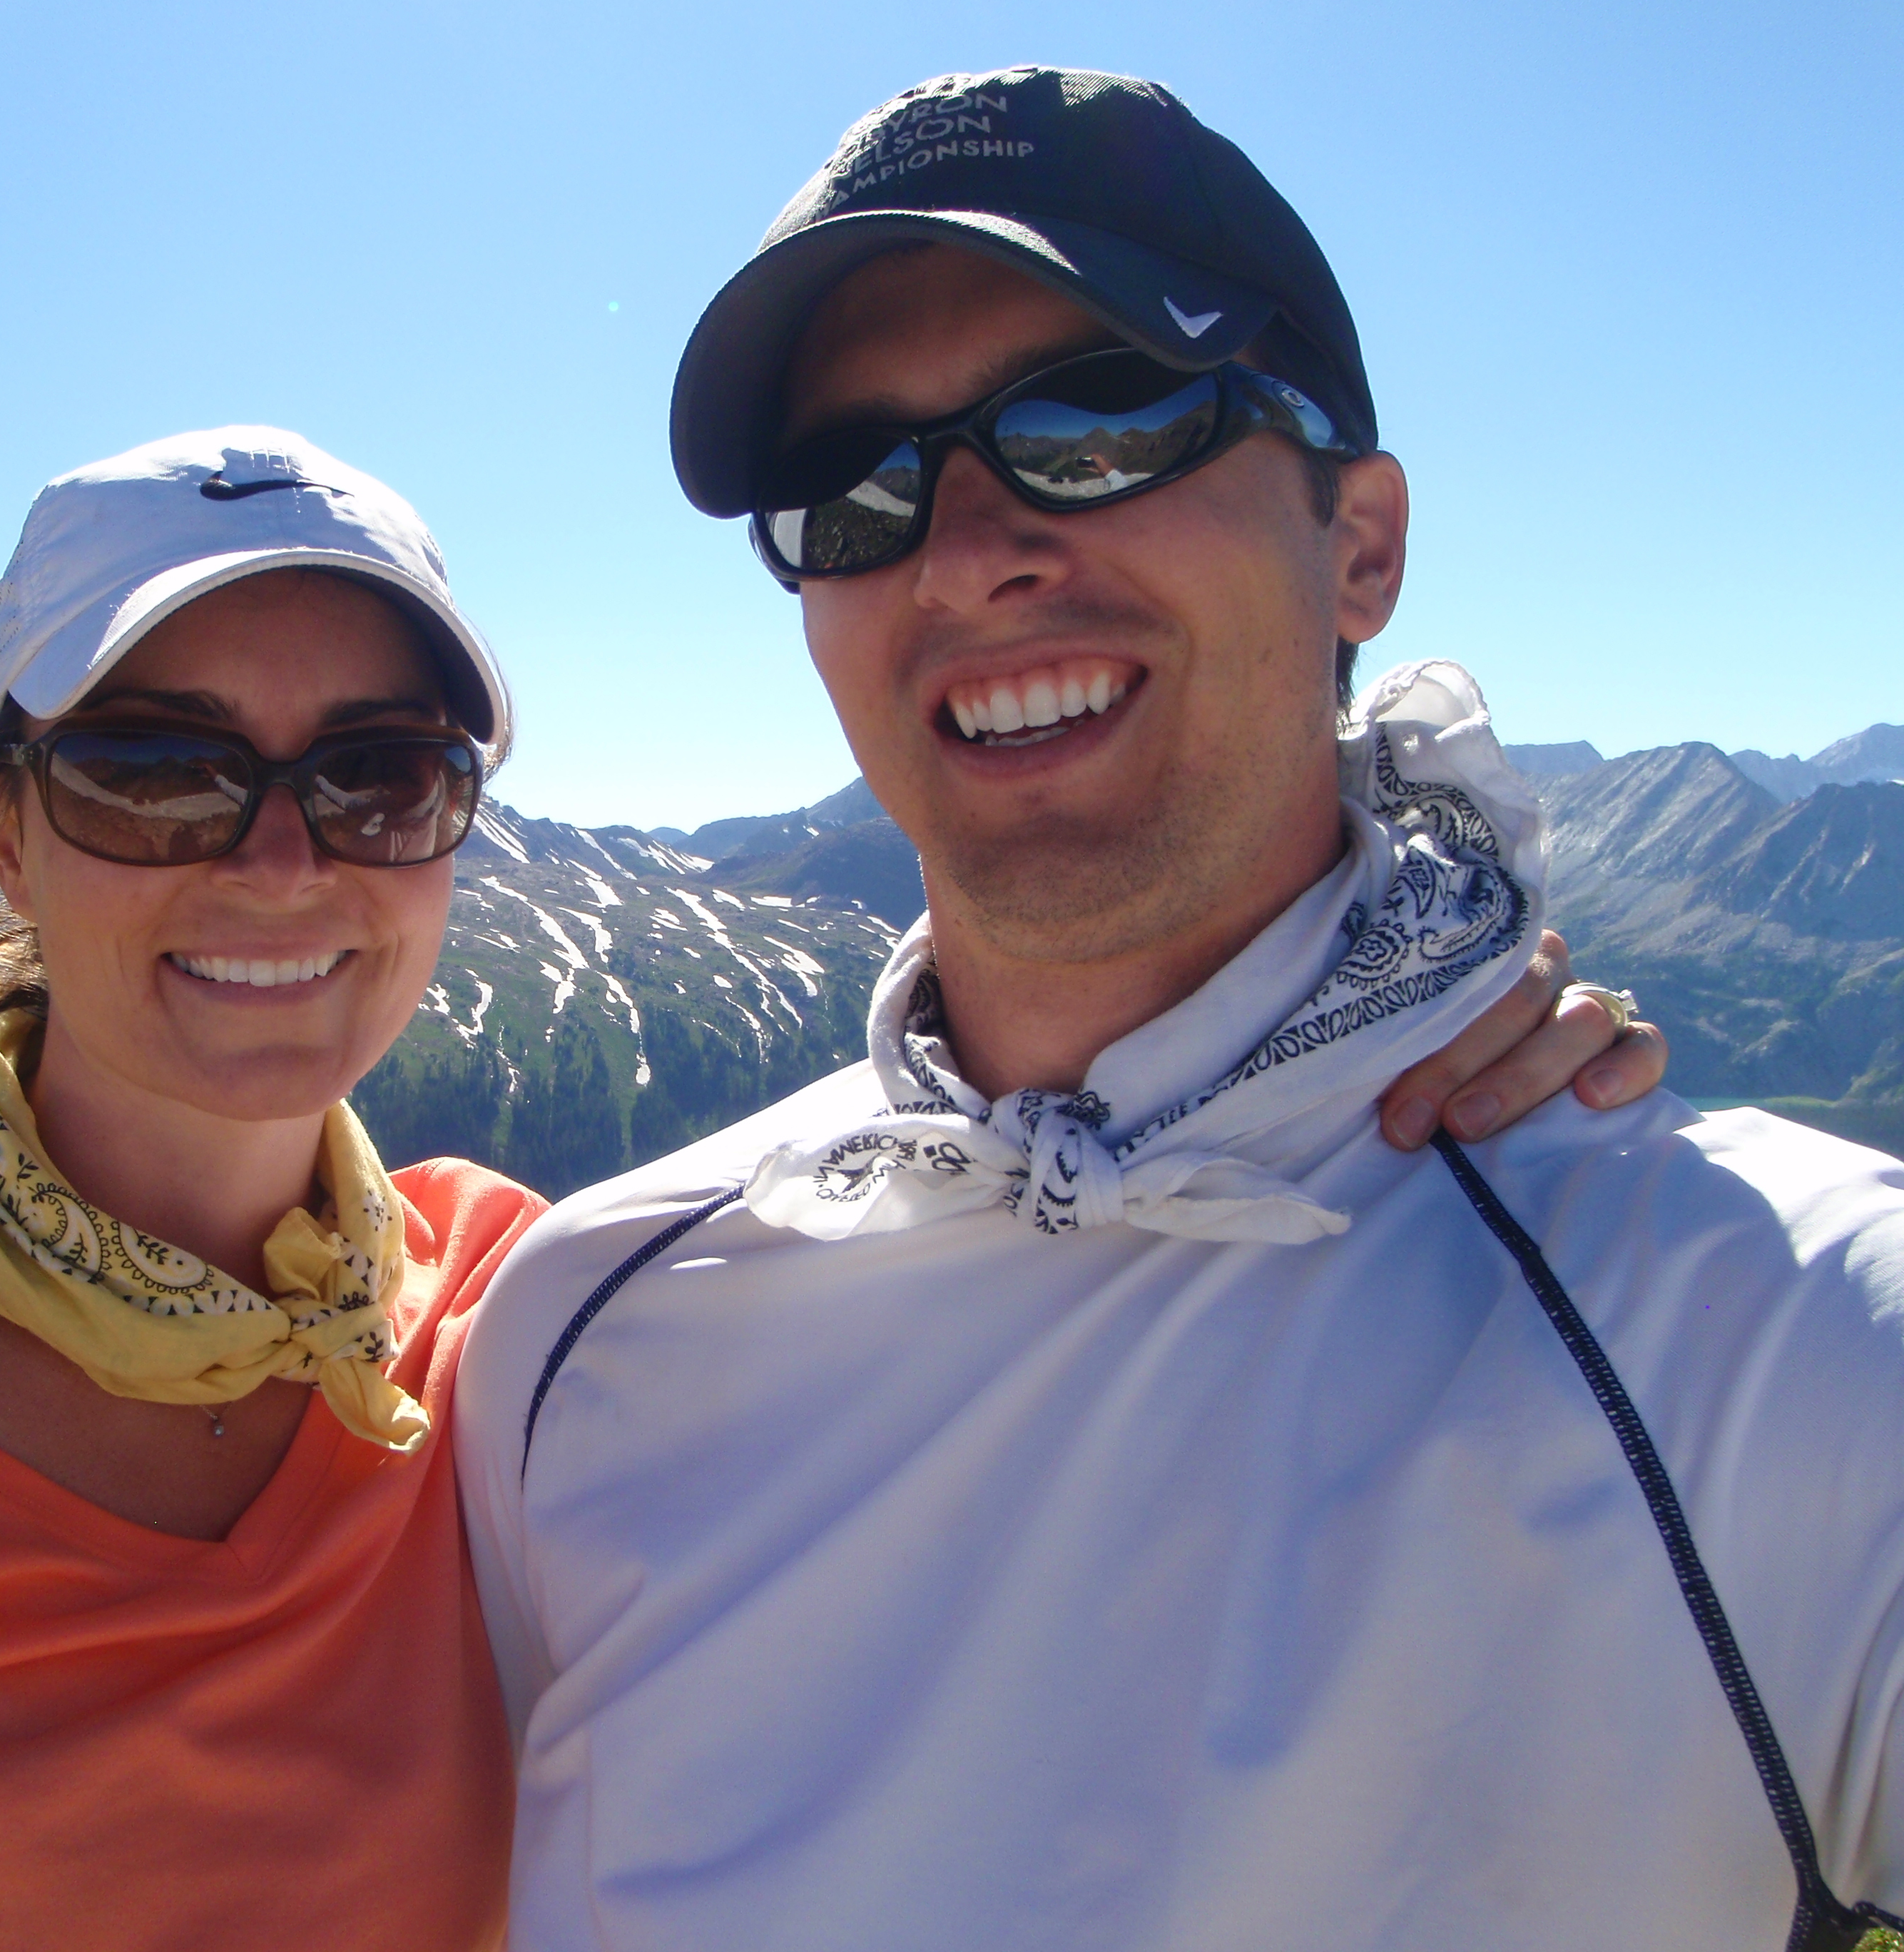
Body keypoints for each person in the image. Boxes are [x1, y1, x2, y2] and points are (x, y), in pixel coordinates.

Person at [0, 427, 1654, 1947]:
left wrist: (1372, 1072)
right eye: (155, 771)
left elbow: (1031, 1369)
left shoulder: (525, 1320)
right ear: (3, 829)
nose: (279, 861)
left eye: (380, 776)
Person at [455, 66, 1904, 1952]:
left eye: (1100, 423)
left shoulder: (1789, 1340)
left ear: (1360, 547)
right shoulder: (574, 1337)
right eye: (856, 488)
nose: (963, 552)